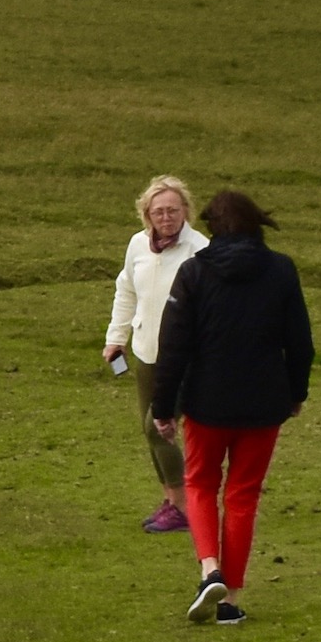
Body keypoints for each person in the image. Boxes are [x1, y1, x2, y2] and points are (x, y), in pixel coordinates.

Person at [148, 190, 315, 626]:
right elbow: (299, 340)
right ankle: (230, 600)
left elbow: (174, 347)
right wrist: (296, 393)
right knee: (243, 496)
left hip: (207, 402)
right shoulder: (281, 270)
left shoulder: (194, 272)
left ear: (211, 227)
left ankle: (210, 570)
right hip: (264, 404)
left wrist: (164, 407)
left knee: (200, 483)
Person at [103, 174, 204, 532]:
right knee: (148, 428)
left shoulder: (199, 251)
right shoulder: (137, 246)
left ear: (185, 212)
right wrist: (116, 336)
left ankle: (183, 506)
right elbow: (126, 290)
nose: (166, 217)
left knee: (156, 427)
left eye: (173, 210)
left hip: (183, 359)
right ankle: (170, 501)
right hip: (146, 351)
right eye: (159, 211)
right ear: (147, 214)